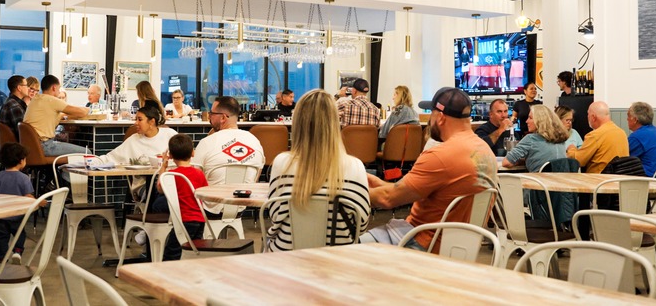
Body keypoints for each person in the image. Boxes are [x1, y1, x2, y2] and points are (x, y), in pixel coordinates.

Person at [364, 87, 497, 251]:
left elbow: (387, 199)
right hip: (459, 248)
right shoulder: (484, 150)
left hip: (422, 242)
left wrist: (349, 189)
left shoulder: (440, 155)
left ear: (440, 117)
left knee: (348, 247)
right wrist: (378, 183)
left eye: (431, 112)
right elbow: (407, 190)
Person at [266, 90, 371, 251]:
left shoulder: (281, 163)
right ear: (335, 123)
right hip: (340, 262)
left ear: (298, 122)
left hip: (285, 261)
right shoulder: (355, 166)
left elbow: (274, 216)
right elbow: (361, 225)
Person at [193, 96, 264, 217]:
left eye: (212, 113)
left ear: (223, 117)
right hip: (240, 207)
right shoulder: (254, 141)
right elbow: (256, 175)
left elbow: (194, 178)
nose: (209, 116)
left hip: (208, 208)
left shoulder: (207, 142)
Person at [0, 142, 44, 264]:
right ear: (22, 161)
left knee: (1, 238)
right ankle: (17, 252)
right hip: (18, 215)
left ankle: (2, 257)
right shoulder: (23, 178)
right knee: (19, 235)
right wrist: (39, 202)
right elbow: (28, 196)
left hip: (1, 215)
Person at [150, 134, 208, 260]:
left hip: (183, 221)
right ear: (193, 153)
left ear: (170, 155)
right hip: (200, 219)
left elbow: (159, 189)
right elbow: (205, 193)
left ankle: (168, 277)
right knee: (194, 252)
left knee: (172, 254)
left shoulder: (171, 175)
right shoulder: (199, 173)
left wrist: (163, 167)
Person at [100, 106, 177, 202]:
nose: (135, 123)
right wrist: (90, 161)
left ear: (151, 122)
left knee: (177, 193)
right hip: (143, 185)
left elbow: (185, 155)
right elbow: (110, 158)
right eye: (135, 119)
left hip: (171, 181)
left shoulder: (170, 135)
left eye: (140, 119)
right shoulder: (133, 140)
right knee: (168, 197)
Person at [23, 75, 89, 156]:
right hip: (45, 146)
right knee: (87, 152)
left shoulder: (35, 100)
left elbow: (57, 115)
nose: (58, 91)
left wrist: (63, 115)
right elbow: (81, 112)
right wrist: (88, 109)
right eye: (58, 88)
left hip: (31, 146)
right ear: (54, 88)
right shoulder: (52, 100)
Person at [566, 101, 629, 174]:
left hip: (599, 181)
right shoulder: (621, 133)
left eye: (588, 115)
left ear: (593, 117)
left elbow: (579, 161)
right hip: (618, 180)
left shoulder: (595, 135)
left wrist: (571, 149)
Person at [502, 105, 569, 172]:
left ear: (540, 121)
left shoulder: (531, 139)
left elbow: (506, 162)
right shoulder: (560, 140)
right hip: (561, 180)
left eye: (530, 118)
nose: (526, 121)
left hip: (539, 181)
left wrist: (520, 161)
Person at [627, 102, 656, 177]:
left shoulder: (637, 137)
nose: (627, 119)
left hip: (650, 179)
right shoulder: (655, 130)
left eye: (628, 116)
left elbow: (624, 156)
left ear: (635, 120)